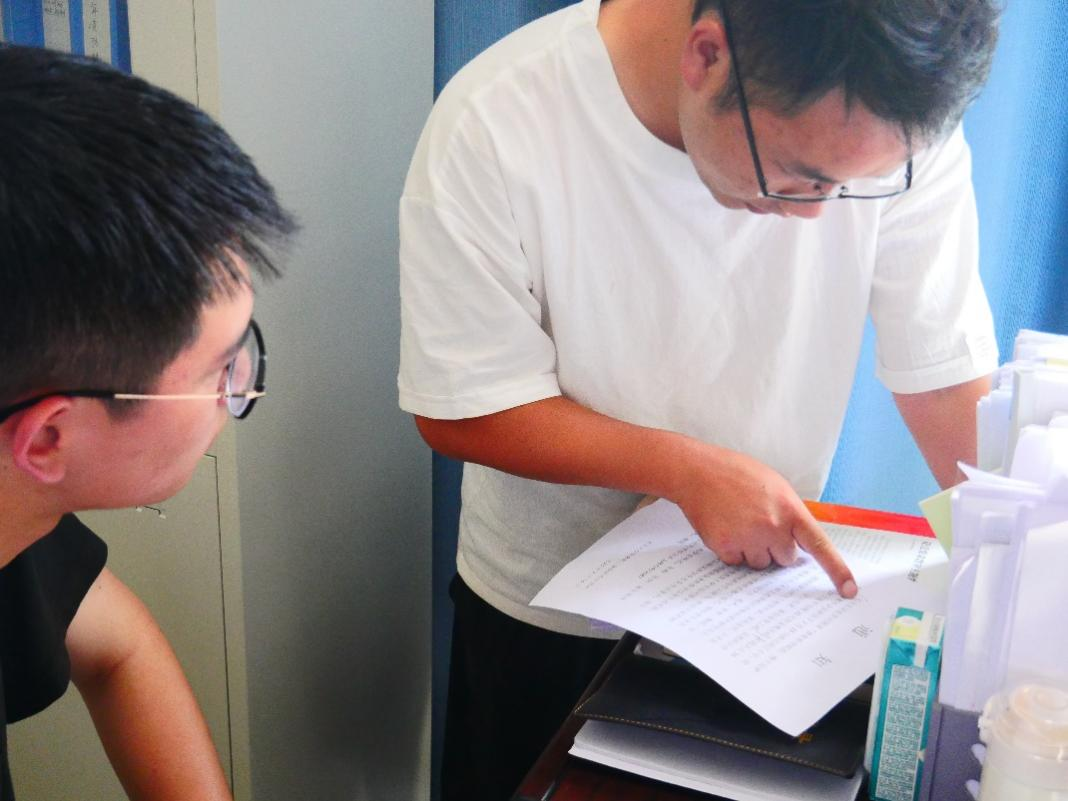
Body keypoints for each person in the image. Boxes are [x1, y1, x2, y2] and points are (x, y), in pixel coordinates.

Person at [399, 0, 1002, 797]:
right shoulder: (497, 120)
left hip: (765, 608)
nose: (815, 213)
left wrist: (1019, 563)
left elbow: (944, 374)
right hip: (548, 612)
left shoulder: (896, 118)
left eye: (853, 186)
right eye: (801, 174)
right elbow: (460, 404)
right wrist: (686, 471)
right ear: (706, 56)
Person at [0, 44, 296, 800]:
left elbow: (119, 647)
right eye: (221, 372)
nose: (242, 393)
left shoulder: (15, 515)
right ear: (48, 438)